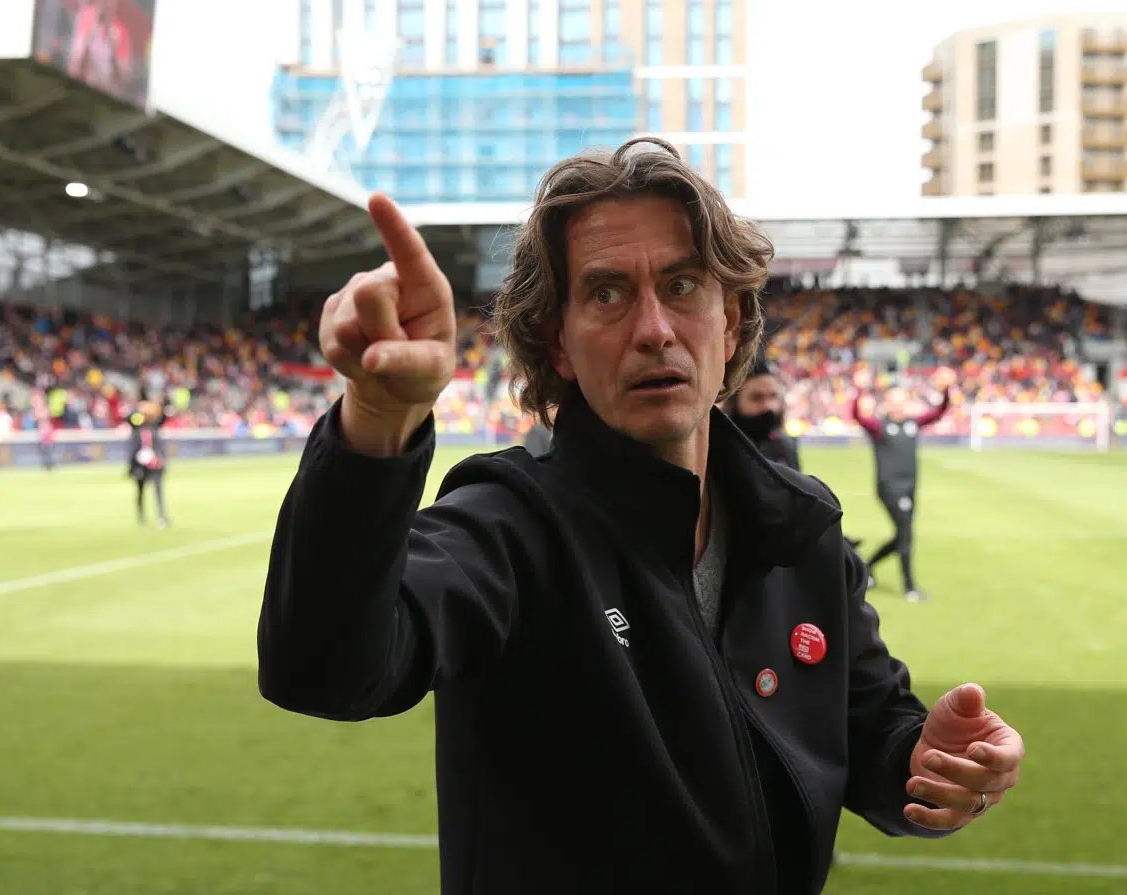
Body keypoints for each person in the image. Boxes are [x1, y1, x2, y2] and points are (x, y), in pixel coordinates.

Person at [256, 138, 1023, 893]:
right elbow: (325, 668)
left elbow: (869, 730)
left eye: (684, 285)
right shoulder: (511, 528)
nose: (654, 327)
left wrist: (927, 763)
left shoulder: (801, 534)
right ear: (557, 342)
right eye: (608, 292)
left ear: (731, 321)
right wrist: (377, 415)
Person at [851, 383, 952, 601]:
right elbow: (857, 416)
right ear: (886, 404)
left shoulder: (912, 424)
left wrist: (946, 389)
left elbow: (940, 412)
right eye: (894, 400)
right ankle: (910, 587)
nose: (899, 405)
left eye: (903, 400)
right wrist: (858, 392)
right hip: (890, 488)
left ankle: (866, 568)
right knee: (906, 535)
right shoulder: (880, 427)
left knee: (902, 535)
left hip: (910, 488)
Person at [723, 350, 799, 471]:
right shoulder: (718, 448)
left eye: (773, 396)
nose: (768, 406)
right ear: (735, 402)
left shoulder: (786, 447)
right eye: (756, 398)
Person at [126, 401, 169, 528]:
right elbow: (129, 419)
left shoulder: (154, 427)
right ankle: (141, 517)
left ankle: (161, 516)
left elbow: (163, 418)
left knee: (158, 490)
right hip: (141, 465)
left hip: (155, 464)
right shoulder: (136, 427)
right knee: (140, 491)